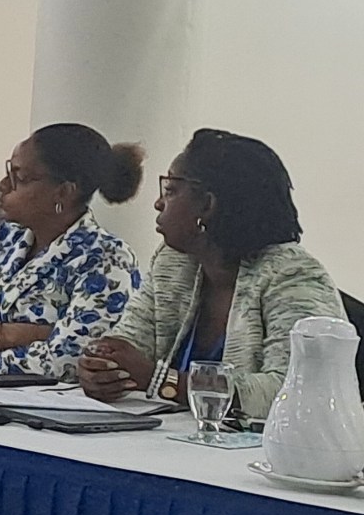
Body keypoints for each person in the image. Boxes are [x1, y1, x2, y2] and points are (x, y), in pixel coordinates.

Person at [80, 129, 344, 419]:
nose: (158, 203)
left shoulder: (294, 275)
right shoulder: (173, 261)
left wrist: (164, 382)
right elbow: (129, 342)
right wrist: (103, 367)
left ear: (207, 205)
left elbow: (292, 390)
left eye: (171, 190)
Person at [0, 124, 143, 379]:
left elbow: (67, 363)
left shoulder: (107, 260)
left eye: (19, 178)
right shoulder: (2, 239)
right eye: (8, 172)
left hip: (39, 402)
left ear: (63, 192)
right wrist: (10, 334)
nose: (3, 185)